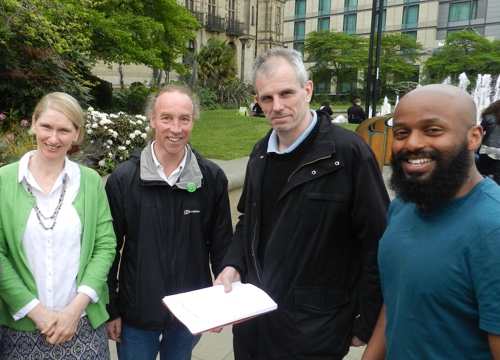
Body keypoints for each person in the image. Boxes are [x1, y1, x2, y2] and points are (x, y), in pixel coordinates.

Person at [215, 48, 390, 359]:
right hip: (254, 324)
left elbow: (377, 242)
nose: (277, 106)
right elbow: (247, 221)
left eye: (286, 93)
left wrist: (366, 320)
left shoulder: (349, 154)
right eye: (266, 98)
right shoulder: (259, 154)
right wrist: (232, 265)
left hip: (315, 330)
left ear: (307, 90)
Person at [362, 84, 500, 359]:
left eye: (432, 130)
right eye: (401, 133)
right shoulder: (402, 207)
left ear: (473, 137)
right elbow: (398, 302)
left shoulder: (492, 227)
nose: (411, 143)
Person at [104, 84, 233, 360]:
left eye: (184, 119)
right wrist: (110, 308)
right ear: (152, 120)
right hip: (136, 314)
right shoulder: (124, 179)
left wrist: (221, 306)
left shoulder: (211, 178)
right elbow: (108, 250)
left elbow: (222, 246)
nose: (176, 128)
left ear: (193, 122)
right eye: (167, 118)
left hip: (190, 313)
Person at [0, 92, 116, 358]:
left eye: (64, 130)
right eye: (46, 127)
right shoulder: (4, 181)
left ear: (77, 134)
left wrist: (74, 311)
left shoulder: (89, 181)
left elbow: (105, 245)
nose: (53, 139)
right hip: (22, 328)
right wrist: (35, 311)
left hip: (82, 325)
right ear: (33, 124)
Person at [477, 99, 500, 185]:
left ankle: (482, 188)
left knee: (483, 171)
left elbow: (479, 132)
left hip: (487, 148)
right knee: (497, 174)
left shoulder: (488, 118)